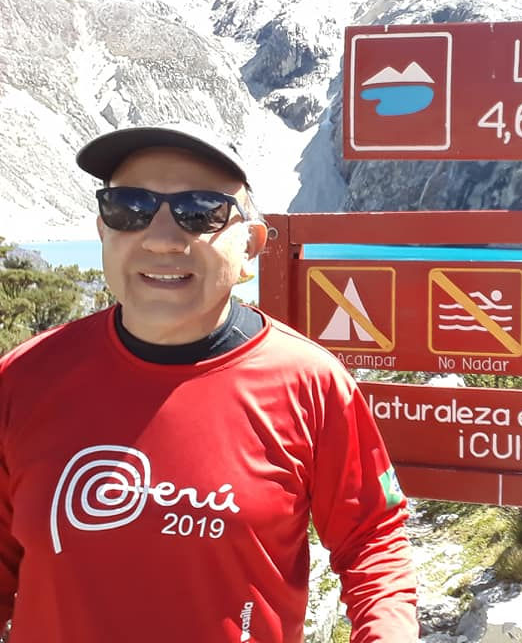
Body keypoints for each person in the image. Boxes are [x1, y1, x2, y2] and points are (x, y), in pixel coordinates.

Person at [0, 123, 418, 642]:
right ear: (104, 230)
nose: (161, 238)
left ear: (251, 248)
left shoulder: (310, 383)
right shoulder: (24, 377)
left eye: (200, 212)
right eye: (129, 208)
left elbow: (372, 541)